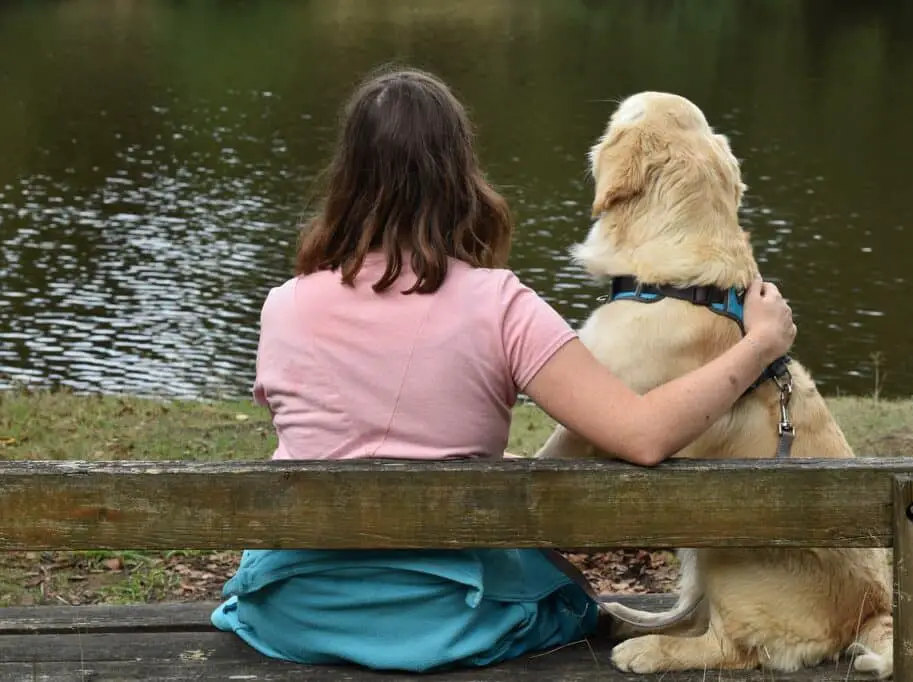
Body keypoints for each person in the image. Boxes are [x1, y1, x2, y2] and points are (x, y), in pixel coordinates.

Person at [211, 65, 797, 673]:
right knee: (562, 592)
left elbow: (339, 434)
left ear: (348, 175)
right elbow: (644, 436)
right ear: (458, 173)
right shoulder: (500, 303)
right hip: (456, 620)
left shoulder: (284, 305)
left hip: (292, 612)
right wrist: (759, 343)